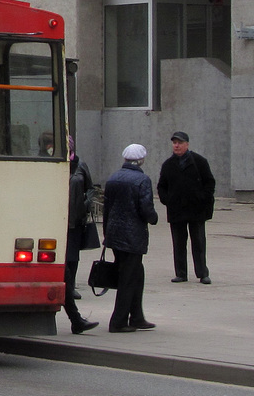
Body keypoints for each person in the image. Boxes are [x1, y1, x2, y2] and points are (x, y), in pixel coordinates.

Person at [102, 143, 159, 333]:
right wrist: (154, 218)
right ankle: (118, 321)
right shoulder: (142, 180)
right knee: (128, 278)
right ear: (141, 160)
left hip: (115, 234)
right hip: (133, 236)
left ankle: (137, 317)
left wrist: (106, 233)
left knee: (136, 275)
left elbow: (107, 209)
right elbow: (146, 208)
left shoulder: (113, 178)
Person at [157, 130, 215, 284]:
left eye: (180, 143)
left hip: (196, 210)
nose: (176, 146)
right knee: (178, 243)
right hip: (177, 211)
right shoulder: (168, 165)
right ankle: (181, 273)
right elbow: (161, 186)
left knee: (199, 242)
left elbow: (209, 182)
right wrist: (167, 200)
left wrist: (203, 198)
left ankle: (203, 273)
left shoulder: (199, 162)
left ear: (187, 144)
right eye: (174, 143)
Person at [63, 135, 100, 334]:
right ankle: (76, 319)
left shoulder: (80, 166)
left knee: (72, 258)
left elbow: (90, 189)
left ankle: (71, 289)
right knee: (64, 265)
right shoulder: (55, 164)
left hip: (75, 220)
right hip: (57, 222)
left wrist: (85, 205)